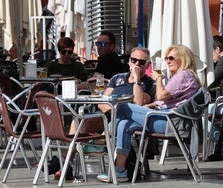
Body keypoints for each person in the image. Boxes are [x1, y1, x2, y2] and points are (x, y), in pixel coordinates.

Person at [97, 44, 201, 182]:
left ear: (183, 59)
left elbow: (162, 95)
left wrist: (158, 78)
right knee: (124, 124)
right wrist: (150, 105)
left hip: (171, 122)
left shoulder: (183, 75)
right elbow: (164, 102)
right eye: (166, 58)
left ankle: (101, 139)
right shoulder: (183, 76)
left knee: (124, 108)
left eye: (171, 58)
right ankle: (120, 170)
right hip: (169, 118)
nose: (167, 61)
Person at [52, 46, 156, 180]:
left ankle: (91, 147)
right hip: (108, 114)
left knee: (119, 118)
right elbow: (102, 101)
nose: (137, 64)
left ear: (147, 65)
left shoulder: (147, 83)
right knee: (77, 122)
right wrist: (112, 111)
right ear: (129, 61)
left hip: (128, 119)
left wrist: (137, 79)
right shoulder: (118, 78)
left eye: (141, 62)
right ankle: (67, 163)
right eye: (134, 60)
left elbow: (139, 103)